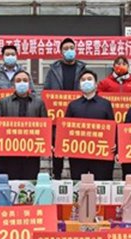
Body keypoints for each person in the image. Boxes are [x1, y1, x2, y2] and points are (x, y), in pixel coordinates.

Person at [43, 38, 87, 179]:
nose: (69, 51)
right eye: (66, 48)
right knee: (57, 146)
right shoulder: (53, 70)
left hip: (78, 114)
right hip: (58, 115)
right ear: (61, 52)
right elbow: (46, 91)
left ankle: (77, 177)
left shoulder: (83, 69)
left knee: (77, 146)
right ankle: (57, 175)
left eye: (71, 48)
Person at [0, 71, 47, 179]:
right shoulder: (3, 103)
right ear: (13, 84)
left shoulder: (39, 103)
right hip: (8, 156)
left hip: (31, 156)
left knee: (29, 184)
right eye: (18, 81)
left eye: (25, 80)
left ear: (29, 83)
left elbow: (44, 128)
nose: (22, 83)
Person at [65, 70, 115, 180]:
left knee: (101, 184)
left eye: (89, 79)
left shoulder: (105, 104)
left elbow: (112, 127)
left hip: (101, 155)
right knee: (78, 184)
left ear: (96, 84)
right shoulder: (73, 105)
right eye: (83, 80)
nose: (86, 82)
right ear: (79, 85)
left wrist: (115, 143)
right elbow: (66, 130)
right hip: (78, 155)